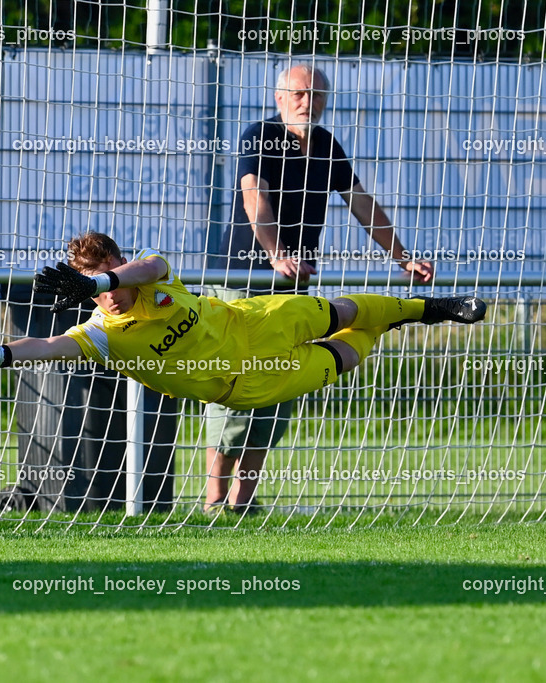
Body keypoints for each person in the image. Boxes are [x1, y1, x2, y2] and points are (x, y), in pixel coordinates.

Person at [0, 235, 486, 502]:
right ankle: (390, 323)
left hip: (254, 322)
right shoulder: (101, 336)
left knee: (339, 310)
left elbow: (147, 264)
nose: (112, 294)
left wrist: (103, 280)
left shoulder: (151, 276)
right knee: (348, 351)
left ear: (118, 269)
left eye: (112, 278)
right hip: (246, 384)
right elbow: (49, 344)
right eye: (99, 288)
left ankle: (433, 309)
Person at [206, 64, 434, 514]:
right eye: (299, 94)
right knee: (236, 386)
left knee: (280, 385)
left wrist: (404, 257)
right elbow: (256, 197)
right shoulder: (259, 136)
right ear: (279, 98)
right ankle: (214, 499)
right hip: (245, 280)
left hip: (294, 286)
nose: (308, 102)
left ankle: (243, 503)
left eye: (317, 95)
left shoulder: (328, 145)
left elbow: (362, 202)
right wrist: (274, 254)